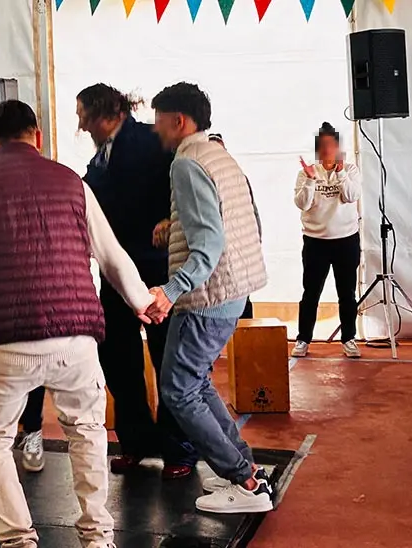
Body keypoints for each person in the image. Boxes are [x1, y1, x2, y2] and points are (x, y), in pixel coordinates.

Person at [0, 100, 154, 548]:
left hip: (5, 341)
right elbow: (111, 254)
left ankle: (19, 540)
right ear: (37, 137)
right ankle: (98, 537)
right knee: (88, 432)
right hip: (75, 336)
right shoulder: (73, 182)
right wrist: (142, 301)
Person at [147, 82, 272, 514]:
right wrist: (176, 225)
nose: (155, 129)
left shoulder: (186, 163)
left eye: (159, 120)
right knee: (195, 382)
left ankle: (245, 482)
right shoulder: (220, 155)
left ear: (178, 120)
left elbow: (209, 243)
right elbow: (247, 222)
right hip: (233, 290)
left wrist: (170, 291)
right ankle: (244, 468)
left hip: (207, 296)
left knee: (178, 390)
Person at [76, 83, 196, 477]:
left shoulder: (153, 140)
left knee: (167, 358)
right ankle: (136, 441)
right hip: (114, 273)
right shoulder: (98, 159)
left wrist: (172, 219)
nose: (80, 125)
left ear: (104, 113)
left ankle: (179, 449)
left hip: (155, 269)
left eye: (83, 116)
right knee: (117, 357)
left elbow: (189, 179)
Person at [0, 110, 47, 473]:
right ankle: (3, 434)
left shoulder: (40, 179)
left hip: (30, 289)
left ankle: (32, 430)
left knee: (33, 361)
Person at [292, 122, 362, 359]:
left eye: (331, 145)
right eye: (322, 146)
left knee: (347, 293)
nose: (327, 150)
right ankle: (303, 339)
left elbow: (351, 196)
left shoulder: (350, 169)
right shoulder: (306, 172)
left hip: (346, 241)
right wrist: (311, 180)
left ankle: (349, 338)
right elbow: (302, 203)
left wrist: (340, 173)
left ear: (338, 148)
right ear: (318, 149)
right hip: (316, 242)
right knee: (311, 293)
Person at [207, 133, 261, 319]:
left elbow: (252, 212)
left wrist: (256, 242)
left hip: (239, 248)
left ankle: (245, 334)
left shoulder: (239, 176)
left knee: (242, 296)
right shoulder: (201, 178)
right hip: (216, 253)